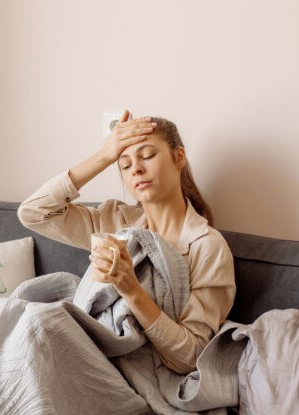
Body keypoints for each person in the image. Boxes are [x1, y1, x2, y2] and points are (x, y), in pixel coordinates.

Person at [17, 110, 236, 373]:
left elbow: (190, 357)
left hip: (129, 376)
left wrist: (130, 287)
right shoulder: (115, 222)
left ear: (179, 157)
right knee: (7, 320)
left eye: (147, 156)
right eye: (125, 164)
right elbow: (33, 213)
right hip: (82, 350)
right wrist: (103, 156)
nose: (137, 170)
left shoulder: (207, 247)